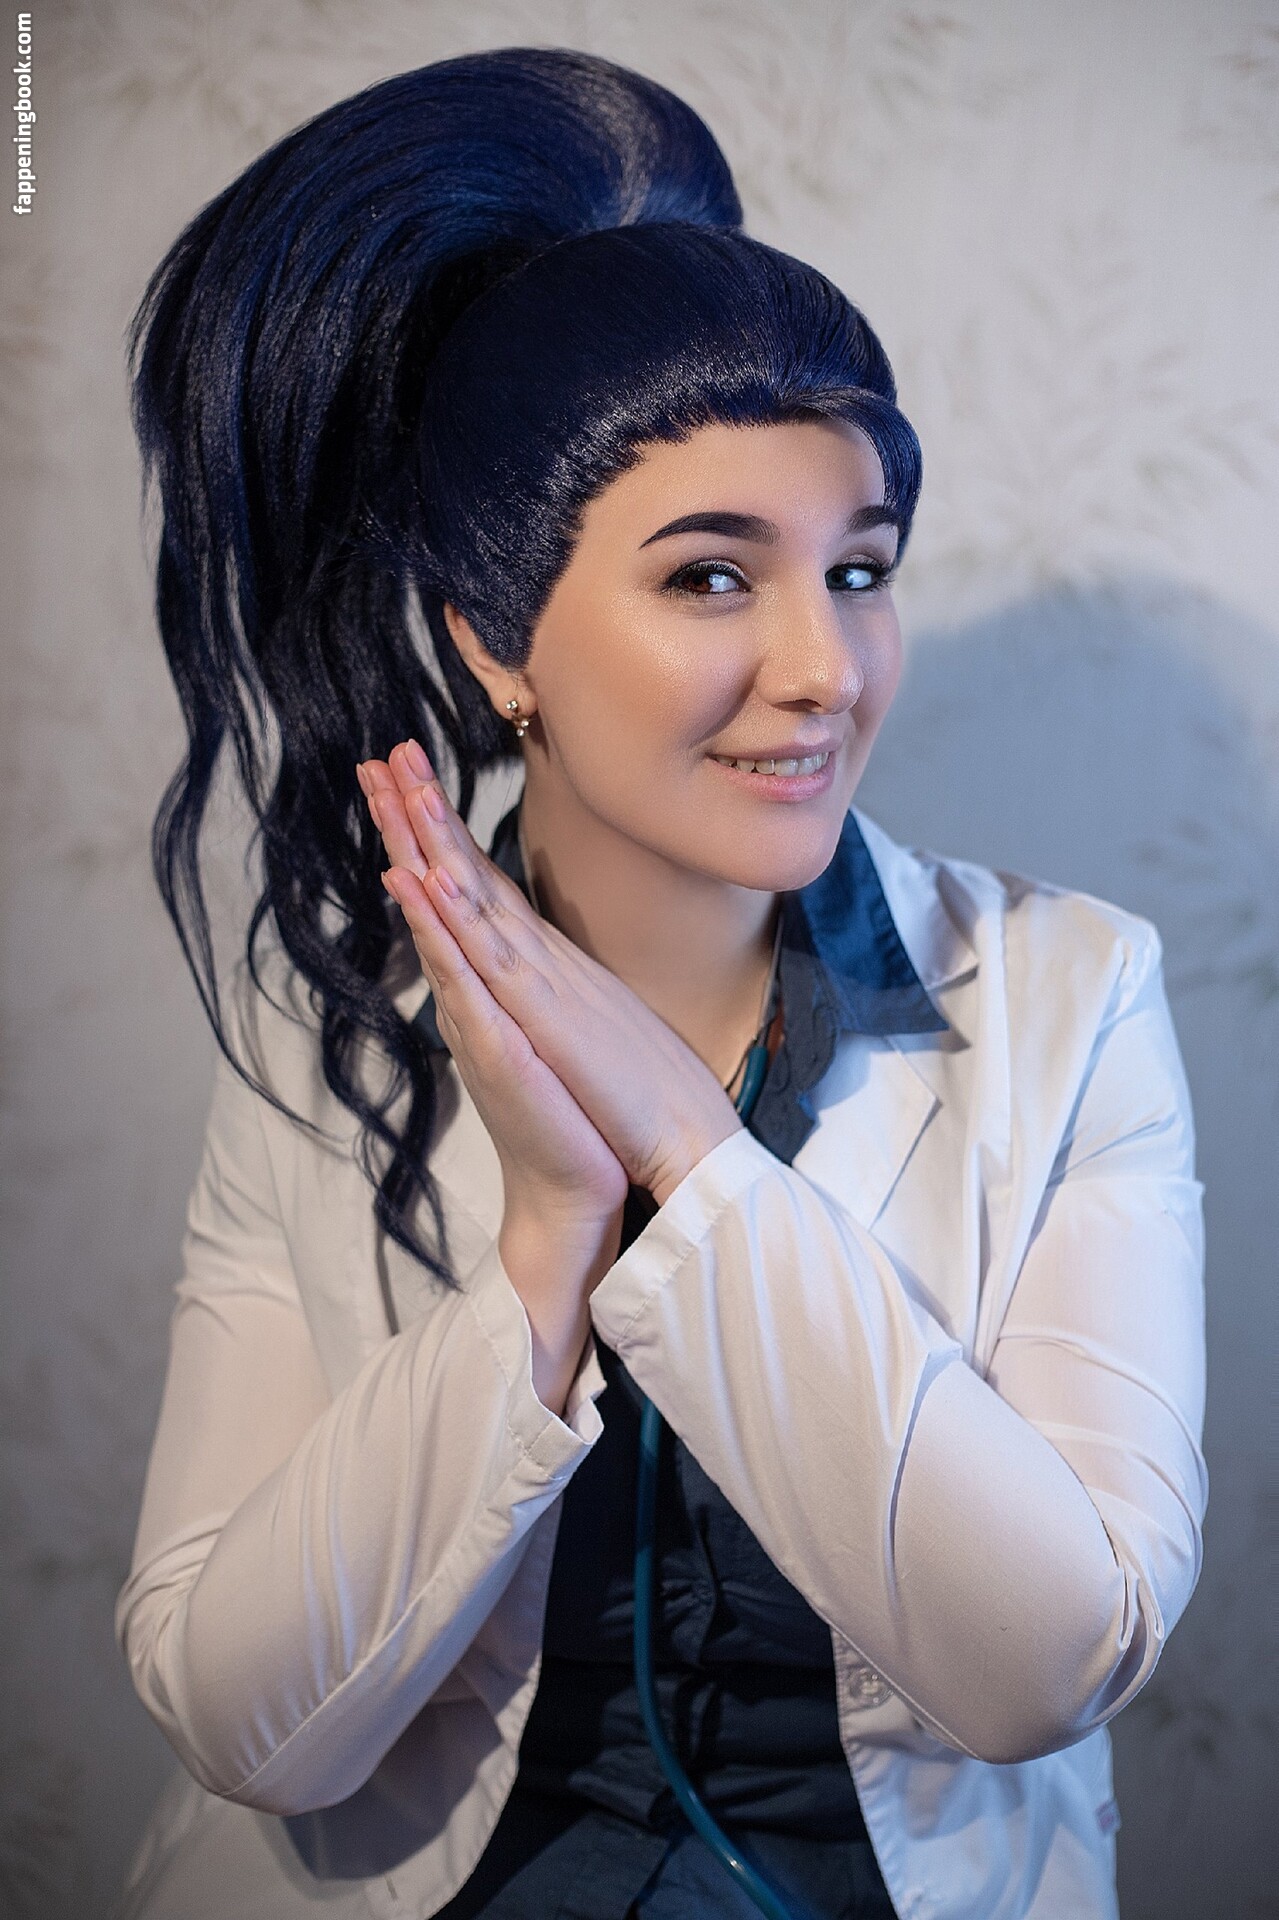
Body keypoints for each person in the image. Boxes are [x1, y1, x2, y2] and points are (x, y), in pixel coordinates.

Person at [112, 45, 1208, 1920]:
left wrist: (693, 1164)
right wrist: (549, 1242)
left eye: (860, 572)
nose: (826, 669)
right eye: (712, 579)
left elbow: (1053, 1659)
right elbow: (242, 1724)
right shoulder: (323, 1025)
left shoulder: (1070, 995)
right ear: (491, 634)